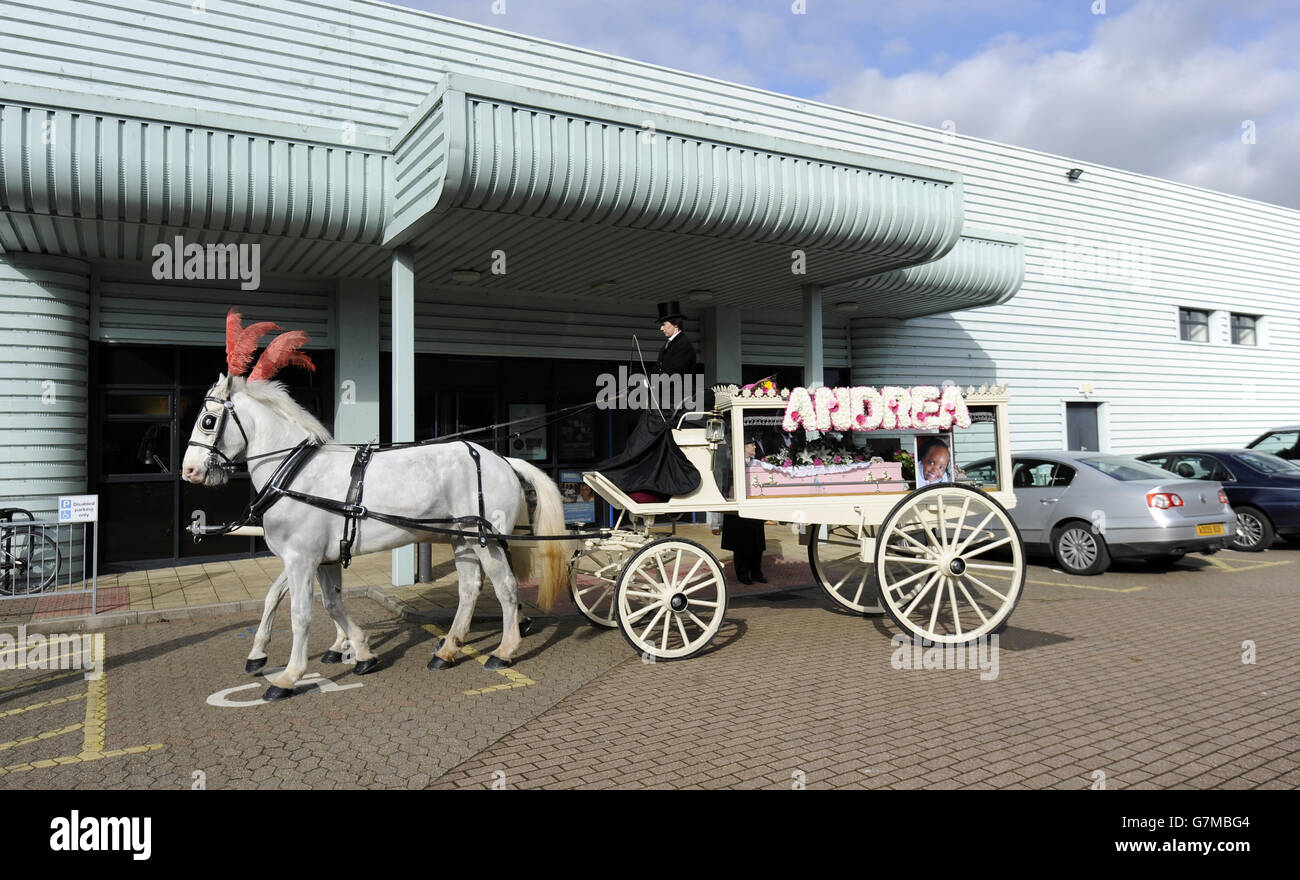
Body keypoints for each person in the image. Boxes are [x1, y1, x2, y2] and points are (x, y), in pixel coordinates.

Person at [591, 301, 701, 501]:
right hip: (660, 403)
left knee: (646, 433)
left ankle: (628, 475)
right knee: (638, 436)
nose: (661, 328)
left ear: (675, 323)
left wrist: (646, 383)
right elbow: (658, 373)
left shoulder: (683, 347)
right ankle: (625, 473)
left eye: (663, 324)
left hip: (671, 405)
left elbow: (670, 375)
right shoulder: (667, 346)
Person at [718, 438, 767, 584]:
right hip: (738, 505)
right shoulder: (732, 461)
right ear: (743, 447)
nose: (754, 447)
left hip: (754, 504)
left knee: (756, 542)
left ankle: (757, 572)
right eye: (751, 444)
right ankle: (742, 573)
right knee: (740, 543)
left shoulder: (756, 463)